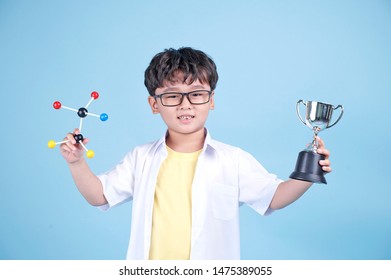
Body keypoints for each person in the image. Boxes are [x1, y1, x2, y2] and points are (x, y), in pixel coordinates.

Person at [60, 47, 332, 260]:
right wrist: (76, 163)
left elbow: (274, 197)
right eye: (172, 96)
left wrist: (309, 173)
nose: (185, 105)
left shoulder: (233, 160)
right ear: (154, 104)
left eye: (197, 94)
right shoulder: (140, 158)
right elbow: (99, 195)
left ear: (211, 100)